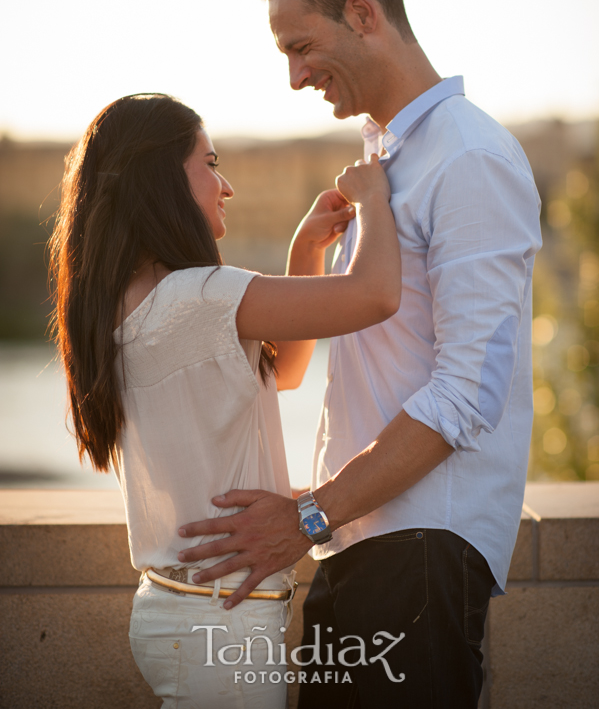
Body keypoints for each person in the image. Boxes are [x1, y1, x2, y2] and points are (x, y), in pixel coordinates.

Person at [177, 0, 543, 708]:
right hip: (362, 542)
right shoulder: (385, 162)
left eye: (302, 46)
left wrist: (306, 515)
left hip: (420, 548)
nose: (294, 75)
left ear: (363, 13)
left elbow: (467, 393)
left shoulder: (468, 157)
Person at [49, 92, 401, 709]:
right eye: (209, 163)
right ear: (161, 178)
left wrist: (304, 253)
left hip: (183, 611)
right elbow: (375, 296)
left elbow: (281, 372)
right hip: (218, 620)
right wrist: (374, 198)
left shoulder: (126, 302)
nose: (226, 185)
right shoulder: (199, 297)